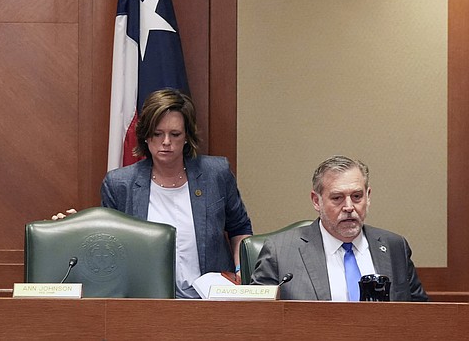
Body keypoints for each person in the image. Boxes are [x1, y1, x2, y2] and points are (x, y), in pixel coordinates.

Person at [57, 88, 253, 298]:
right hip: (146, 302)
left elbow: (239, 229)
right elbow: (109, 246)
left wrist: (241, 271)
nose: (166, 142)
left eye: (175, 134)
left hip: (210, 301)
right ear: (146, 136)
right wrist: (75, 231)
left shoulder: (216, 174)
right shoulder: (120, 185)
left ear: (187, 136)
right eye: (158, 134)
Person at [250, 155, 428, 301]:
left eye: (357, 196)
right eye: (337, 198)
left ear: (368, 196)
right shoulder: (280, 253)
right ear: (316, 201)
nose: (349, 207)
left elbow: (421, 315)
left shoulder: (395, 247)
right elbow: (259, 319)